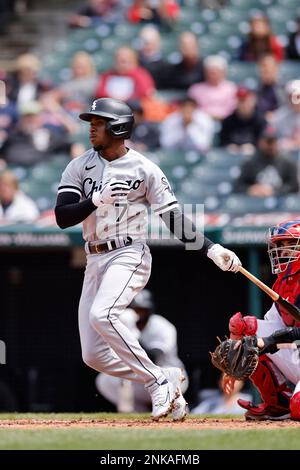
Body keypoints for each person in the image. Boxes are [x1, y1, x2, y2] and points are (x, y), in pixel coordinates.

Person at [54, 97, 241, 421]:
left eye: (98, 122)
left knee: (103, 314)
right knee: (93, 356)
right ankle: (164, 376)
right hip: (94, 257)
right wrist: (95, 199)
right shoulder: (78, 166)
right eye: (91, 122)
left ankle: (157, 384)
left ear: (118, 127)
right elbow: (62, 216)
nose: (91, 128)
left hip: (128, 252)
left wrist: (211, 248)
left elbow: (172, 217)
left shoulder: (144, 168)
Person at [226, 219, 300, 420]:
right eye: (281, 245)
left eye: (289, 244)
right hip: (297, 354)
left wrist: (270, 342)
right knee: (245, 328)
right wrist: (236, 349)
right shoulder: (283, 281)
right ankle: (278, 404)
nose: (283, 250)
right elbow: (270, 325)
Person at [96, 289, 188, 413]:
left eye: (141, 310)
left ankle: (175, 406)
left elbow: (153, 358)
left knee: (173, 411)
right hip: (141, 378)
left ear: (149, 310)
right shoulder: (121, 326)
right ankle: (138, 413)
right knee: (105, 380)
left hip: (169, 378)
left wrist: (131, 332)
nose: (138, 314)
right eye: (134, 310)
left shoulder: (162, 326)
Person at [233, 127, 299, 197]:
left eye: (272, 142)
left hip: (280, 203)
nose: (269, 146)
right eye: (267, 142)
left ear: (277, 143)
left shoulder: (288, 163)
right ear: (260, 142)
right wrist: (250, 189)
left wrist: (275, 191)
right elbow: (237, 186)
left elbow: (294, 186)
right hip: (255, 202)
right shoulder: (250, 163)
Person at [219, 86, 266, 154]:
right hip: (231, 157)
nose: (243, 104)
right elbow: (222, 141)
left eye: (245, 100)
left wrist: (253, 146)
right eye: (240, 100)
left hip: (254, 158)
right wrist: (228, 146)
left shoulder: (260, 120)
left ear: (253, 100)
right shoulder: (228, 120)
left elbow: (264, 143)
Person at [188, 55, 237, 120]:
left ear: (223, 72)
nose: (213, 75)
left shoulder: (232, 88)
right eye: (211, 72)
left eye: (216, 72)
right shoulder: (195, 89)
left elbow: (234, 109)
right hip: (201, 122)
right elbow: (190, 109)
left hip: (227, 122)